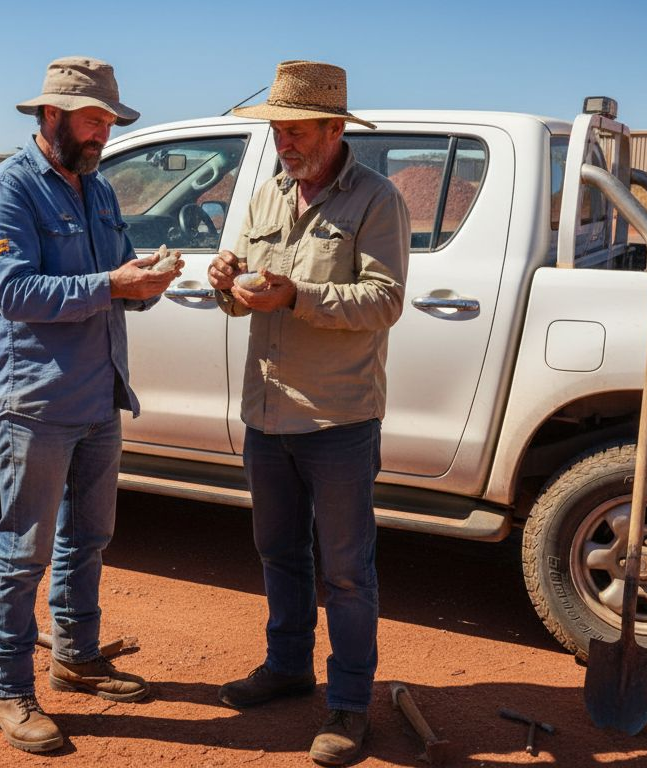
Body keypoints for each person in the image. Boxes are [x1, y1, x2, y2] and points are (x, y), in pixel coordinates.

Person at [0, 56, 181, 754]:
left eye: (110, 123)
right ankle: (11, 690)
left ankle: (76, 656)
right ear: (51, 115)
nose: (103, 135)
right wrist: (112, 284)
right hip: (35, 399)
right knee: (23, 548)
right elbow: (16, 294)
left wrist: (147, 282)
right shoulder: (9, 191)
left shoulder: (99, 190)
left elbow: (116, 283)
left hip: (99, 392)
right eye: (93, 121)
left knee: (87, 537)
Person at [207, 60, 410, 766]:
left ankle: (350, 704)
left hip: (339, 423)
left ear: (333, 128)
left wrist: (298, 296)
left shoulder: (377, 201)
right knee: (278, 554)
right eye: (276, 131)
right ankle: (288, 667)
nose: (283, 143)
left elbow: (385, 301)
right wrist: (224, 284)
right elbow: (243, 297)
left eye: (295, 131)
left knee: (347, 571)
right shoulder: (267, 195)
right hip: (267, 416)